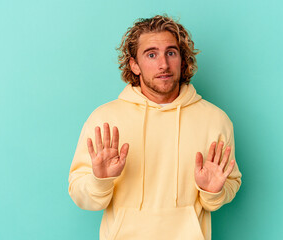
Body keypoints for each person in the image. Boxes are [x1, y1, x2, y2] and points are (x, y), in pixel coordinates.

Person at [68, 14, 242, 240]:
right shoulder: (104, 119)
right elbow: (82, 195)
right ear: (134, 65)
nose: (163, 64)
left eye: (171, 53)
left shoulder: (215, 120)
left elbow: (230, 184)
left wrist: (212, 192)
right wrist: (99, 181)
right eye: (151, 54)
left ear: (182, 60)